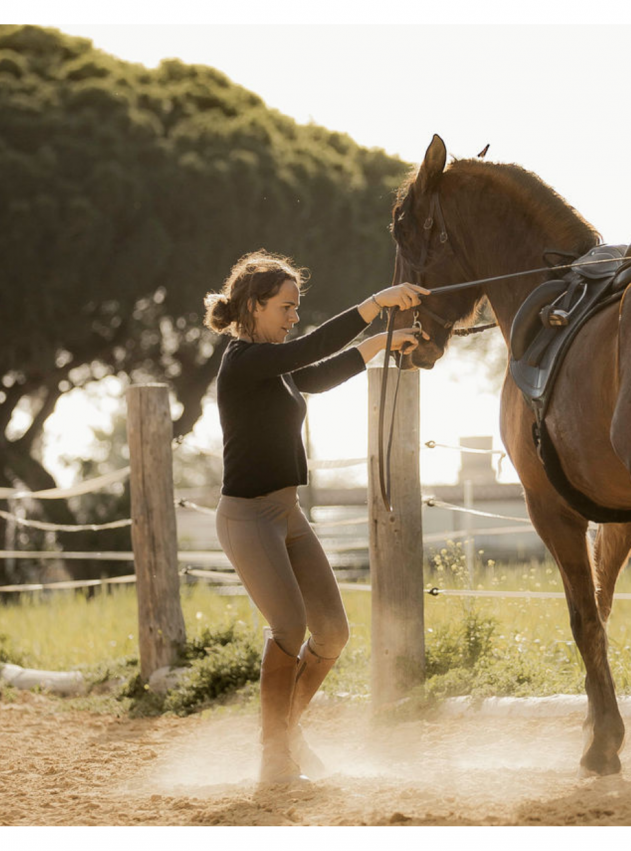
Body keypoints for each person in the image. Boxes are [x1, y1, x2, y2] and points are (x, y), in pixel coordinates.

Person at [203, 250, 428, 786]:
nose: (293, 317)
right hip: (247, 518)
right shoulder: (243, 361)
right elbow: (310, 349)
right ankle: (273, 755)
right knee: (289, 626)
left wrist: (380, 343)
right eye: (286, 307)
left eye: (296, 307)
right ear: (254, 308)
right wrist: (374, 306)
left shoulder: (274, 366)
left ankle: (288, 735)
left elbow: (318, 374)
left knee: (332, 632)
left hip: (287, 513)